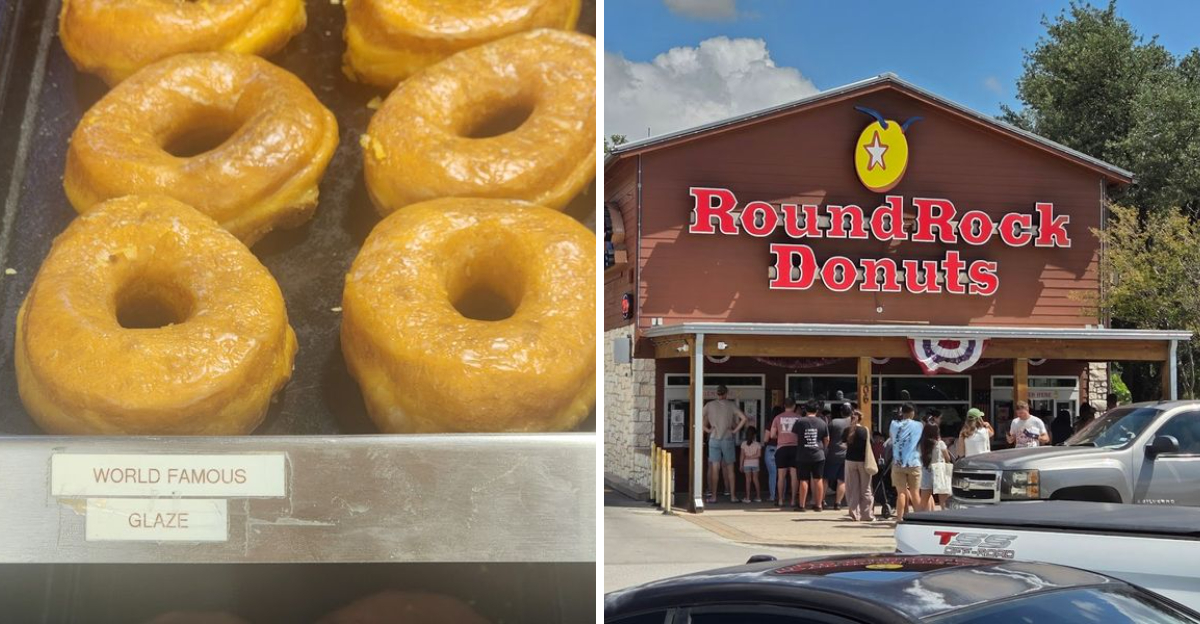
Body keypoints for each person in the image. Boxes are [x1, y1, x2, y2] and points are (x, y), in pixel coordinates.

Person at [703, 385, 748, 504]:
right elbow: (743, 418)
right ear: (726, 393)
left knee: (714, 468)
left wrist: (707, 430)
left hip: (713, 438)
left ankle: (713, 496)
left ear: (716, 393)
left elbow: (697, 417)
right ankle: (733, 496)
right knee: (730, 468)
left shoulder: (709, 405)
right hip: (727, 438)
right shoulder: (731, 405)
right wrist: (735, 431)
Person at [888, 403, 923, 521]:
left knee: (901, 493)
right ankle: (919, 518)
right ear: (912, 412)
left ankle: (899, 518)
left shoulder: (893, 425)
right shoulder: (919, 425)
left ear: (902, 412)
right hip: (914, 462)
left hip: (898, 463)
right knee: (915, 493)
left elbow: (892, 439)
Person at [792, 401, 829, 512]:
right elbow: (827, 439)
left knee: (803, 480)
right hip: (818, 454)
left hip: (803, 454)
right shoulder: (822, 422)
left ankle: (802, 506)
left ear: (806, 410)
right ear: (817, 410)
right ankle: (818, 505)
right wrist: (823, 448)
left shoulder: (800, 421)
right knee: (818, 479)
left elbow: (794, 437)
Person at [843, 409, 874, 521]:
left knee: (852, 488)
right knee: (866, 488)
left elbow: (843, 444)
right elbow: (871, 443)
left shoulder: (847, 430)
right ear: (861, 418)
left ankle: (854, 513)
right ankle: (867, 515)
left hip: (850, 461)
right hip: (863, 461)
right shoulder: (865, 431)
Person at [769, 398, 801, 508]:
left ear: (784, 405)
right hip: (795, 448)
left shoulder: (777, 418)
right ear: (794, 406)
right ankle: (792, 500)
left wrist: (781, 436)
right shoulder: (799, 418)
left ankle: (781, 500)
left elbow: (772, 435)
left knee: (781, 476)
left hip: (781, 448)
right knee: (794, 475)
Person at [919, 422, 952, 511]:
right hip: (939, 470)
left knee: (924, 501)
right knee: (943, 501)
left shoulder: (922, 445)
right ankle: (945, 519)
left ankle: (922, 519)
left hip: (926, 470)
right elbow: (947, 458)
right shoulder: (940, 443)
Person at [825, 403, 852, 511]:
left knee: (825, 478)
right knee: (842, 480)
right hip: (847, 455)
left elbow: (827, 437)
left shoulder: (834, 422)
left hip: (833, 453)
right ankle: (838, 503)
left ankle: (821, 500)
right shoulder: (854, 423)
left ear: (841, 412)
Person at [739, 427, 763, 503]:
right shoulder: (757, 444)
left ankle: (747, 497)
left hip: (746, 464)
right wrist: (752, 457)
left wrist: (741, 465)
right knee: (756, 480)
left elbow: (742, 455)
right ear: (754, 435)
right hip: (755, 463)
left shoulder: (743, 444)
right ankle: (758, 497)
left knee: (748, 480)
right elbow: (759, 455)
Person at [764, 405, 781, 502]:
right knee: (782, 474)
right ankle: (781, 495)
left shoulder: (770, 423)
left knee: (772, 474)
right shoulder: (783, 424)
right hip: (781, 448)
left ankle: (772, 496)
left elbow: (765, 438)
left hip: (770, 449)